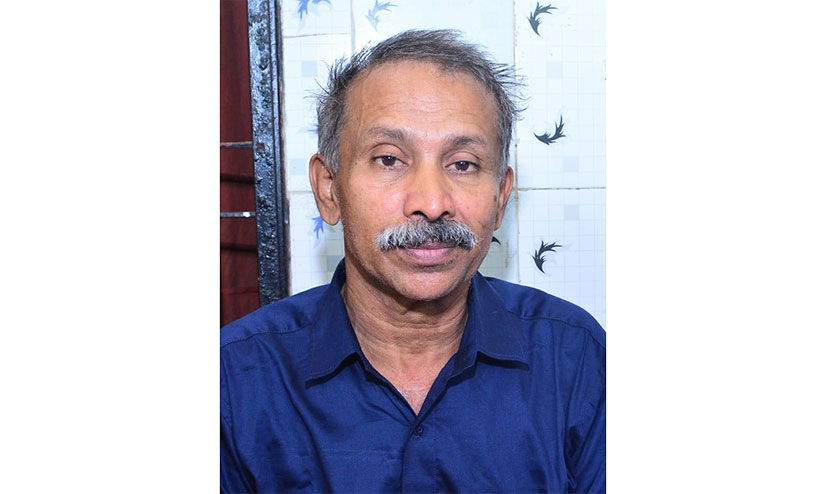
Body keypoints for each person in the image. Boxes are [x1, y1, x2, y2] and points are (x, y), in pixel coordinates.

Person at [221, 29, 605, 493]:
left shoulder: (574, 358)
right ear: (329, 190)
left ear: (501, 197)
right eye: (389, 160)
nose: (432, 202)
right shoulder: (236, 377)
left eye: (463, 164)